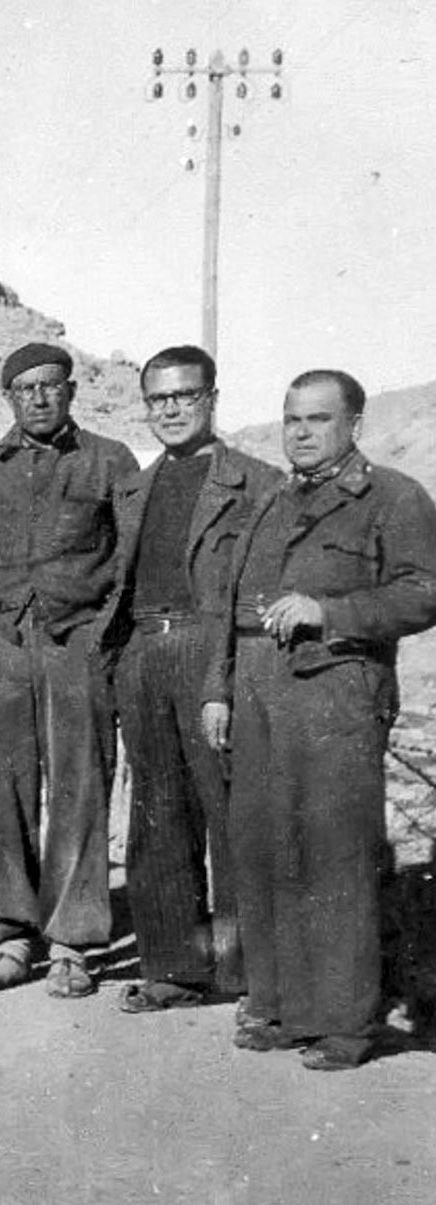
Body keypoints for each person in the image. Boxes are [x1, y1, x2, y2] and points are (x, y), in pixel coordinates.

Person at [201, 369, 436, 1070]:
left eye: (318, 419)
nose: (300, 432)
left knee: (335, 856)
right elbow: (232, 604)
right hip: (258, 691)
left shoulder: (391, 496)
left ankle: (343, 1022)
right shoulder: (272, 498)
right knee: (265, 850)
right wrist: (219, 689)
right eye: (291, 418)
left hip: (337, 690)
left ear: (354, 424)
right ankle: (279, 1004)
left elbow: (424, 592)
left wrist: (329, 612)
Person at [0, 343, 139, 998]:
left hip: (76, 647)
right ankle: (11, 937)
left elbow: (129, 561)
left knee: (80, 790)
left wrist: (97, 637)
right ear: (11, 399)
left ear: (71, 390)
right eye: (26, 389)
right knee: (3, 795)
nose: (40, 398)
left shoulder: (108, 461)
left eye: (51, 386)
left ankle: (72, 943)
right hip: (4, 651)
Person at [100, 347, 280, 1014]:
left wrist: (228, 677)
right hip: (146, 651)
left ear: (212, 398)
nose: (172, 410)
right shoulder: (134, 487)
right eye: (159, 399)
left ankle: (247, 975)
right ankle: (173, 968)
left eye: (186, 396)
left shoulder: (256, 482)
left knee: (231, 817)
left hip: (212, 650)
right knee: (156, 816)